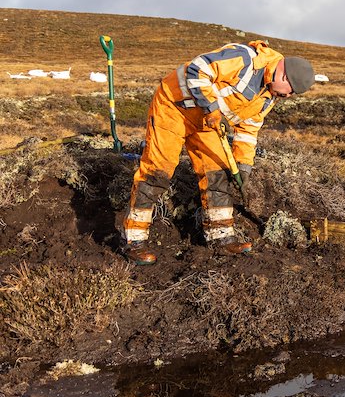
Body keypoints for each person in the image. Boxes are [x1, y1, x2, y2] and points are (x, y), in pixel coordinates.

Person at [120, 40, 315, 265]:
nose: (288, 97)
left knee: (217, 173)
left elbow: (248, 128)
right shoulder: (244, 59)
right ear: (284, 76)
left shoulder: (268, 96)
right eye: (290, 91)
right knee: (157, 172)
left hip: (207, 122)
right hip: (174, 107)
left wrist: (243, 165)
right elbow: (198, 68)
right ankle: (134, 239)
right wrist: (211, 106)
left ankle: (220, 238)